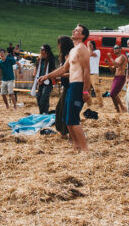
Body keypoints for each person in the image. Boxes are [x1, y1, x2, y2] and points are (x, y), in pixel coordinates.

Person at [39, 24, 91, 152]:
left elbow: (87, 71)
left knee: (73, 119)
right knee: (67, 120)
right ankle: (76, 146)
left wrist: (85, 90)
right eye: (74, 29)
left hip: (78, 86)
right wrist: (46, 76)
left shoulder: (82, 49)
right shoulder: (73, 51)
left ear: (83, 35)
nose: (74, 31)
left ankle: (85, 149)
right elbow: (63, 69)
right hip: (71, 86)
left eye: (77, 30)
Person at [54, 36, 74, 137]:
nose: (58, 46)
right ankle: (62, 130)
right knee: (60, 108)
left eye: (59, 44)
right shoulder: (64, 56)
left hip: (71, 86)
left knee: (63, 109)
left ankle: (66, 132)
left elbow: (73, 72)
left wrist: (60, 74)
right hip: (66, 85)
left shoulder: (69, 55)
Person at [33, 44, 55, 114]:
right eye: (40, 49)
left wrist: (53, 81)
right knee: (39, 98)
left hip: (48, 82)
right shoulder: (39, 59)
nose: (40, 50)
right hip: (40, 81)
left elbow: (53, 70)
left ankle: (44, 113)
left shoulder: (50, 59)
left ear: (46, 51)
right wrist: (35, 76)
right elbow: (36, 67)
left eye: (42, 49)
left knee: (43, 98)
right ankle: (43, 113)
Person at [105, 45, 127, 113]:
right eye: (113, 48)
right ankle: (118, 110)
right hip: (116, 77)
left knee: (112, 94)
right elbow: (112, 70)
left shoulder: (122, 57)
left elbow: (117, 65)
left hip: (121, 77)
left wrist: (110, 57)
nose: (114, 50)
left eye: (116, 48)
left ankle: (122, 107)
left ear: (120, 49)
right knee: (113, 95)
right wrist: (108, 63)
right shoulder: (116, 58)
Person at [87, 40, 103, 108]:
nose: (89, 46)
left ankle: (100, 104)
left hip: (94, 73)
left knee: (97, 89)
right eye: (89, 45)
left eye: (91, 45)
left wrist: (88, 46)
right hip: (87, 73)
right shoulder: (87, 52)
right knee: (88, 90)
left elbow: (91, 54)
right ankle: (89, 104)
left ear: (93, 45)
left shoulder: (97, 51)